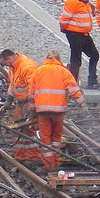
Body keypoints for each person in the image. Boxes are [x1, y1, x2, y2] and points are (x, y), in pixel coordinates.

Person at [29, 49, 86, 178]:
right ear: (59, 59)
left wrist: (32, 109)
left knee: (46, 140)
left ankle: (50, 166)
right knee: (56, 139)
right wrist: (82, 104)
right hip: (58, 112)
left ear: (46, 58)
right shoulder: (64, 72)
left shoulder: (38, 71)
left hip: (43, 112)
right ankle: (56, 163)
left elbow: (31, 93)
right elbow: (73, 89)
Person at [0, 49, 40, 163]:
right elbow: (13, 85)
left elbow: (34, 89)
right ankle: (20, 157)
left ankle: (34, 157)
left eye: (6, 63)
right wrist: (9, 100)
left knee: (30, 130)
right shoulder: (13, 68)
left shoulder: (27, 67)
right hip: (20, 102)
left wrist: (32, 108)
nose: (6, 66)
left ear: (9, 59)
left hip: (29, 102)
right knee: (17, 129)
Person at [59, 0, 100, 88]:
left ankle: (92, 81)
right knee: (76, 59)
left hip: (84, 34)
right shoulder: (73, 1)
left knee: (94, 55)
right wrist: (64, 29)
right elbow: (64, 18)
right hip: (74, 34)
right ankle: (72, 85)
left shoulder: (84, 1)